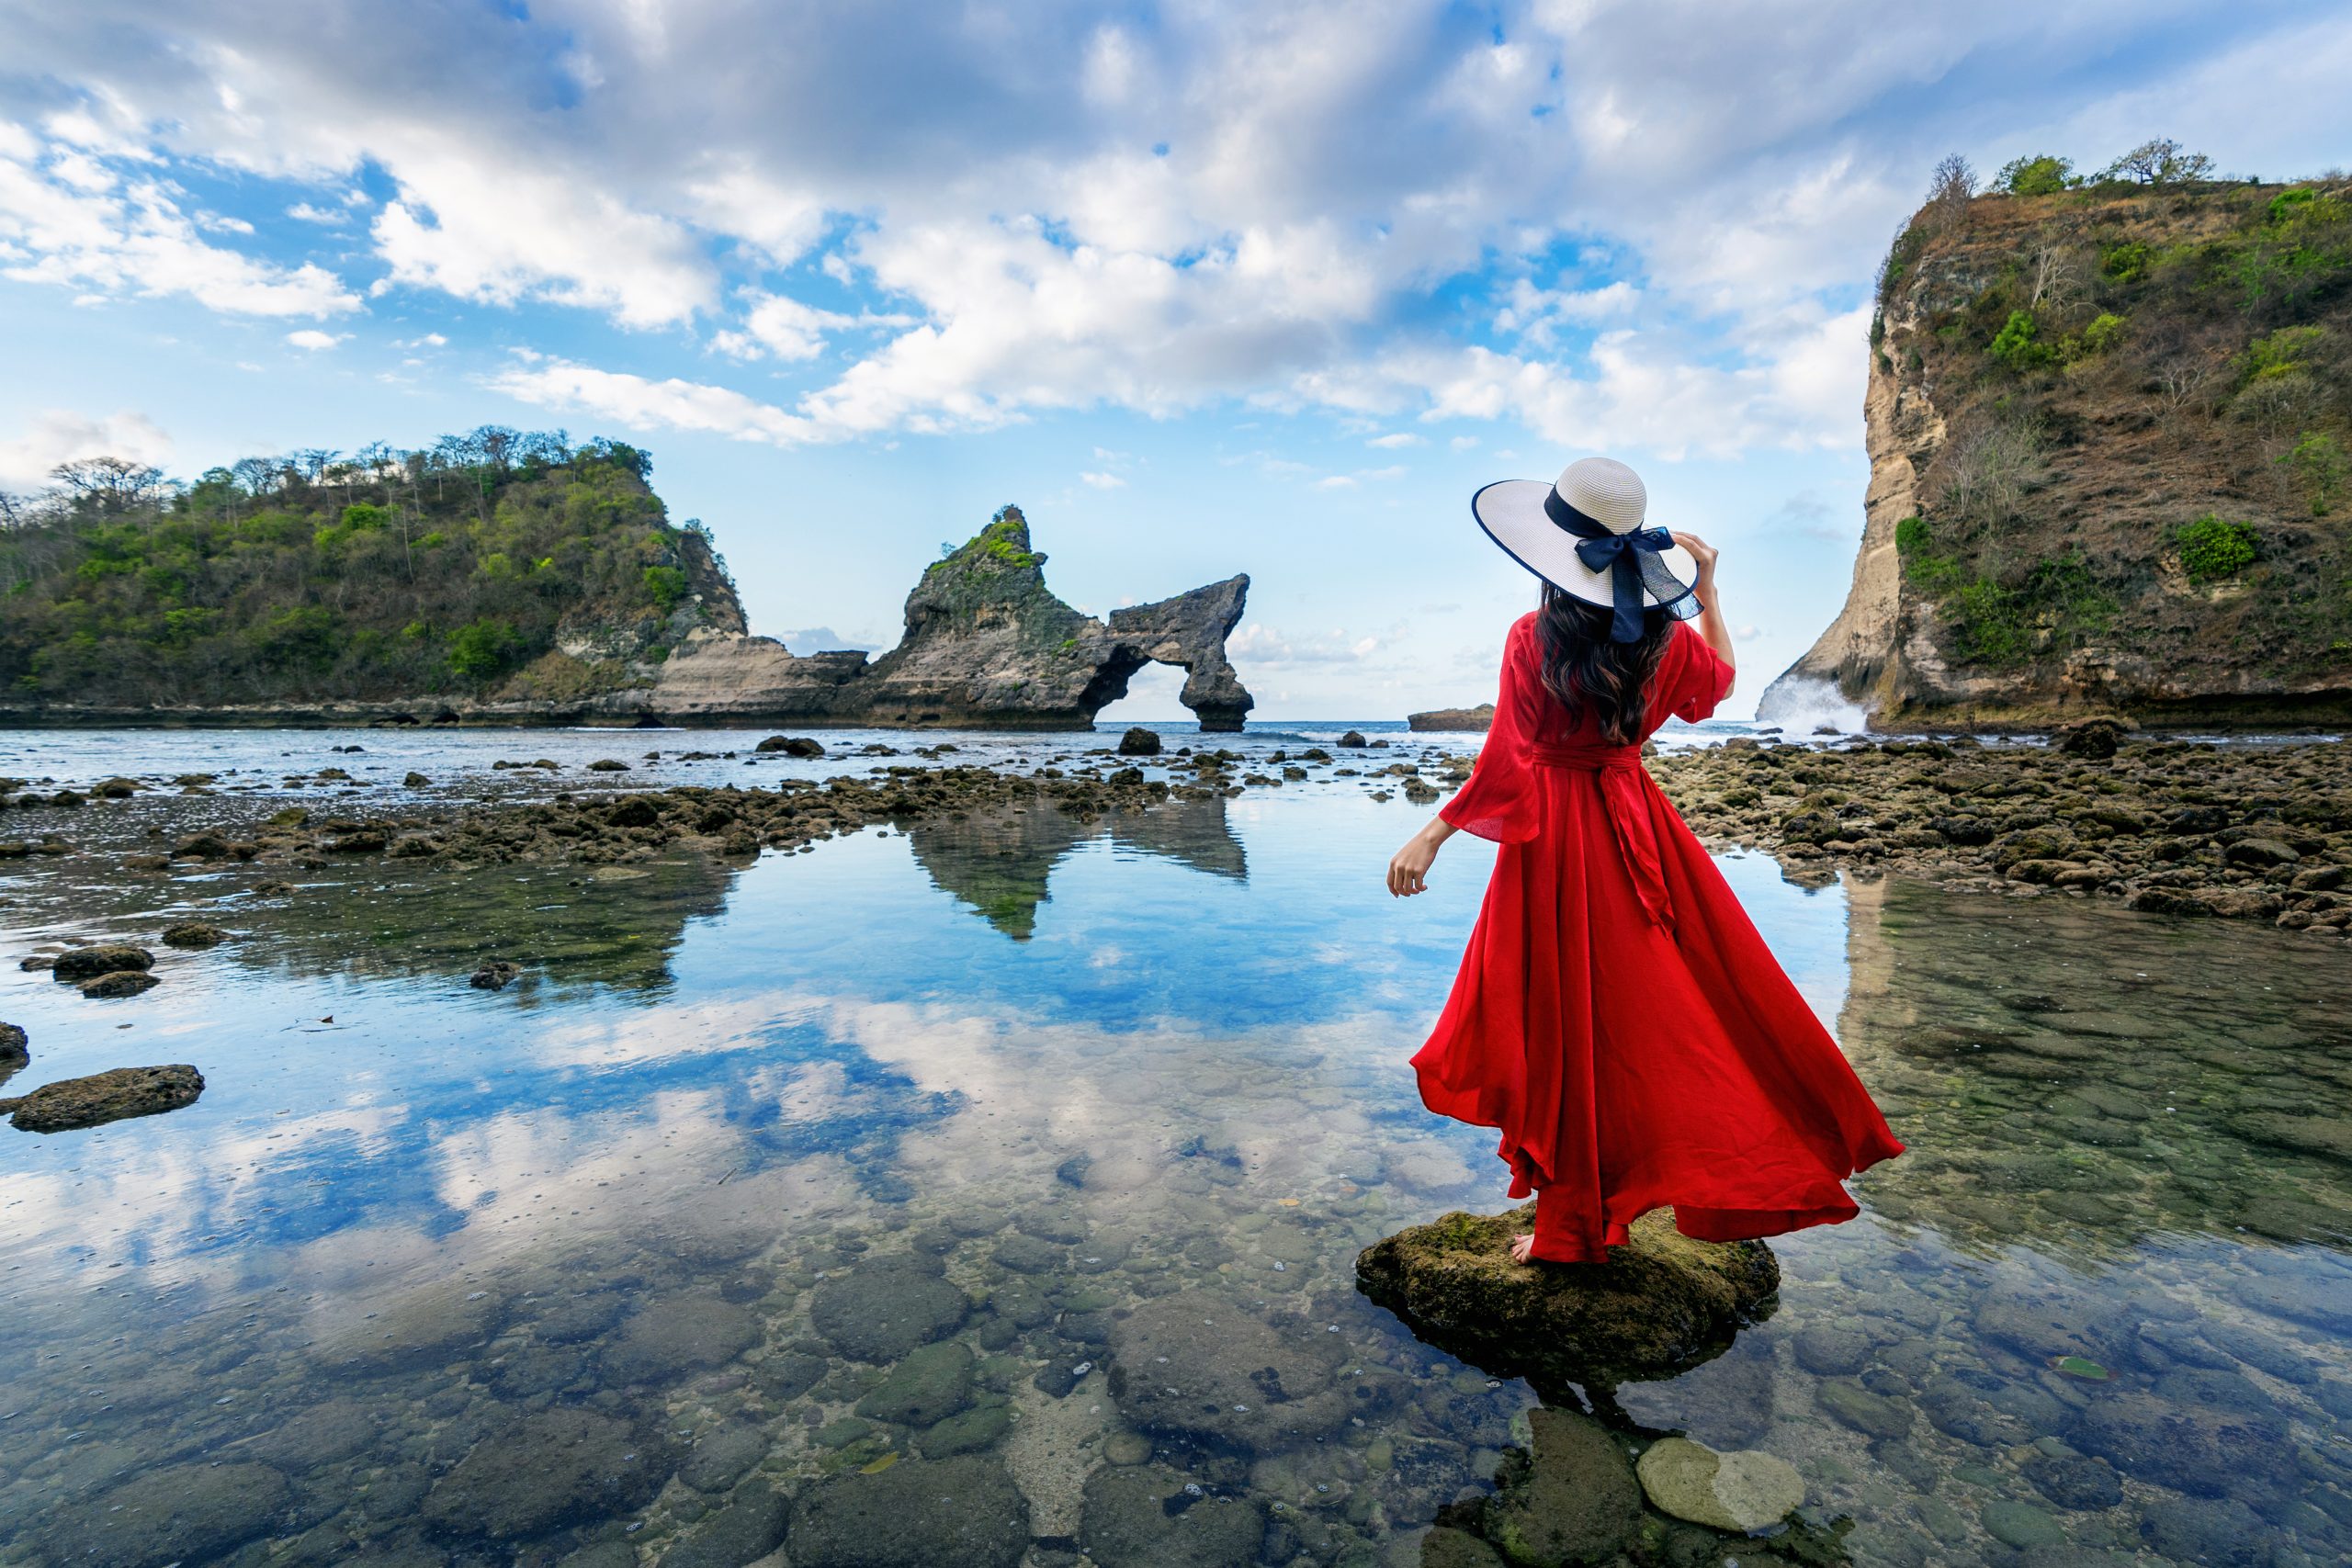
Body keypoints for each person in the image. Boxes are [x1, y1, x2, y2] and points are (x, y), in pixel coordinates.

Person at [1387, 457, 1903, 1265]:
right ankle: (1598, 1211)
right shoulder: (1665, 638)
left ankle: (1568, 1230)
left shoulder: (1533, 635)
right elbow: (1720, 684)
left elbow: (1508, 757)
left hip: (1555, 841)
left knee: (1559, 1023)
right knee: (1662, 1015)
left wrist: (1435, 831)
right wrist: (1708, 592)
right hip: (1640, 831)